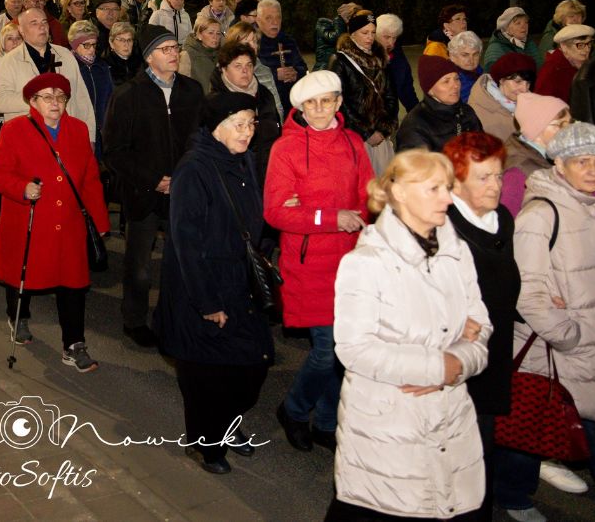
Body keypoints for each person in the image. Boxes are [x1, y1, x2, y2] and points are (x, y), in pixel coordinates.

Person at [498, 122, 595, 522]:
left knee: (559, 427)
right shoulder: (540, 215)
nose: (593, 170)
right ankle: (515, 496)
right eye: (581, 161)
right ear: (560, 164)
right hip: (555, 348)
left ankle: (512, 491)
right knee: (550, 427)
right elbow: (528, 293)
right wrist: (571, 336)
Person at [329, 149, 492, 521]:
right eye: (434, 188)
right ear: (399, 193)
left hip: (452, 420)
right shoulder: (365, 263)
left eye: (448, 188)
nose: (448, 199)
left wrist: (458, 362)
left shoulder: (457, 253)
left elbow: (482, 328)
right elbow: (355, 349)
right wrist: (437, 365)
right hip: (389, 429)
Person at [155, 91, 275, 474]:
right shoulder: (194, 169)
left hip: (240, 281)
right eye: (239, 124)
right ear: (216, 127)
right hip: (201, 285)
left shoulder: (245, 161)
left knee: (252, 364)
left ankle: (225, 423)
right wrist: (207, 303)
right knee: (205, 373)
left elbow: (254, 217)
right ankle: (204, 442)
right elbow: (186, 244)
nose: (247, 132)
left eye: (252, 123)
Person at [266, 71, 373, 454]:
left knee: (344, 352)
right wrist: (329, 218)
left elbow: (368, 198)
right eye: (311, 103)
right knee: (327, 350)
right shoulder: (286, 149)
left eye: (327, 101)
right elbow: (276, 213)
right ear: (299, 107)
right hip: (309, 264)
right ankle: (294, 410)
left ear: (339, 103)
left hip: (352, 263)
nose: (319, 110)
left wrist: (363, 221)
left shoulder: (354, 142)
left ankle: (327, 423)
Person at [0, 73, 108, 372]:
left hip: (69, 223)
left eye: (60, 97)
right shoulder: (15, 130)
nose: (55, 102)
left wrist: (99, 219)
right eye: (47, 96)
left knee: (73, 284)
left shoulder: (78, 130)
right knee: (22, 275)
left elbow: (90, 179)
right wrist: (21, 188)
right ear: (33, 101)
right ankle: (18, 316)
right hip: (29, 221)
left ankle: (74, 344)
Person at [103, 24, 205, 347]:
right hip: (144, 194)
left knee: (180, 263)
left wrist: (184, 178)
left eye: (175, 48)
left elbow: (200, 140)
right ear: (149, 58)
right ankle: (134, 320)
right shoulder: (128, 95)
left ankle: (174, 318)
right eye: (166, 49)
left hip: (183, 192)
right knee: (140, 267)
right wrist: (153, 180)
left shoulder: (192, 91)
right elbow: (114, 151)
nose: (174, 54)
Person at [443, 133, 521, 519]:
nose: (496, 186)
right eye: (483, 178)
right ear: (456, 181)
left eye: (498, 176)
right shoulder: (442, 227)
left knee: (483, 447)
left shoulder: (502, 219)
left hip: (494, 352)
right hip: (456, 360)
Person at [0, 7, 96, 141]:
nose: (42, 27)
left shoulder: (65, 55)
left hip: (67, 135)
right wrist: (36, 101)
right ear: (21, 30)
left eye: (44, 22)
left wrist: (90, 137)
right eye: (34, 23)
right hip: (28, 139)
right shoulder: (9, 61)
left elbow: (82, 99)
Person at [208, 42, 282, 195]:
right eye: (237, 66)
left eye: (249, 65)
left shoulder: (265, 96)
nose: (245, 71)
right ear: (224, 69)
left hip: (269, 176)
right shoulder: (214, 105)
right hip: (234, 183)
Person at [330, 12, 397, 173]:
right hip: (356, 137)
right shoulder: (340, 61)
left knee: (384, 185)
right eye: (364, 33)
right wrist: (367, 133)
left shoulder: (380, 58)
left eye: (373, 32)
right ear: (352, 34)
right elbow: (340, 103)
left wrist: (384, 129)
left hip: (381, 135)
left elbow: (390, 95)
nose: (370, 38)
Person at [499, 93, 571, 218]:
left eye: (569, 123)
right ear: (536, 130)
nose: (568, 130)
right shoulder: (518, 172)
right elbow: (509, 221)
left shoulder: (552, 156)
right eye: (558, 125)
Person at [396, 56, 483, 152]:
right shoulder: (414, 126)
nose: (455, 85)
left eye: (457, 78)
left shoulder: (466, 111)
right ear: (430, 90)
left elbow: (483, 146)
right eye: (446, 81)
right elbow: (414, 165)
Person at [468, 52, 535, 141]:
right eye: (518, 82)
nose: (524, 89)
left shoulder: (533, 103)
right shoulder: (479, 109)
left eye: (528, 83)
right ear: (501, 80)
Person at [68, 21, 113, 150]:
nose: (92, 49)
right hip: (80, 130)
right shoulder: (69, 67)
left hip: (102, 130)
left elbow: (110, 95)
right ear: (75, 45)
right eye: (86, 45)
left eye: (94, 45)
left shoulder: (101, 66)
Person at [255, 0, 308, 111]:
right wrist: (275, 74)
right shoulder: (253, 43)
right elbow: (251, 75)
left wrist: (295, 73)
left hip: (292, 101)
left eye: (278, 17)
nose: (275, 22)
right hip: (267, 104)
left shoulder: (288, 40)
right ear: (258, 20)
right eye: (268, 18)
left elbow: (303, 67)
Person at [534, 23, 594, 104]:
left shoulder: (584, 64)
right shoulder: (552, 71)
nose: (587, 49)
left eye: (589, 44)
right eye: (580, 45)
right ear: (564, 47)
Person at [376, 14, 417, 119]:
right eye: (387, 37)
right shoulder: (365, 56)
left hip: (391, 116)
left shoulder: (397, 53)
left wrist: (416, 113)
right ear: (375, 35)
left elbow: (406, 86)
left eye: (394, 38)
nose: (391, 43)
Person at [177, 13, 224, 94]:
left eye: (218, 33)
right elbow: (181, 86)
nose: (215, 37)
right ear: (199, 35)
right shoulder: (187, 55)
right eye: (211, 33)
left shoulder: (221, 55)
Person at [314, 2, 359, 72]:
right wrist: (340, 20)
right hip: (324, 69)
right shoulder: (324, 25)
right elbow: (337, 39)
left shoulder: (344, 27)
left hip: (337, 68)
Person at [449, 30, 486, 102]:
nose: (471, 60)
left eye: (475, 54)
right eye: (465, 55)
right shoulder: (451, 80)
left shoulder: (478, 70)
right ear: (452, 56)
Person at [101, 20, 141, 86]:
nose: (126, 44)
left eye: (129, 40)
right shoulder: (104, 65)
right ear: (111, 42)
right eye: (121, 40)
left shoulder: (140, 59)